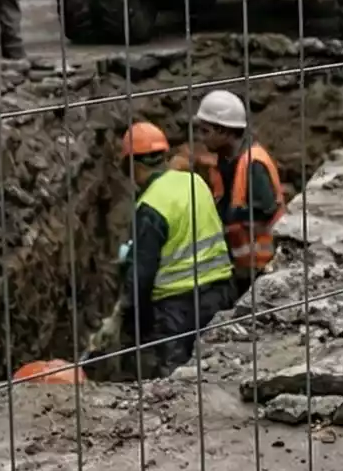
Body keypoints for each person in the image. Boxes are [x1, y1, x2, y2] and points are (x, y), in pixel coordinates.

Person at [119, 121, 234, 373]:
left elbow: (141, 274)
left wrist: (134, 323)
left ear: (132, 166)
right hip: (219, 294)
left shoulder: (151, 205)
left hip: (176, 308)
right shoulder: (196, 182)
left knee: (176, 380)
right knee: (218, 369)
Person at [188, 90, 284, 303]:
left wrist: (227, 219)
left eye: (205, 131)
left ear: (223, 131)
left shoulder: (253, 164)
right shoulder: (224, 162)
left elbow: (263, 213)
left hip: (263, 267)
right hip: (241, 267)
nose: (200, 138)